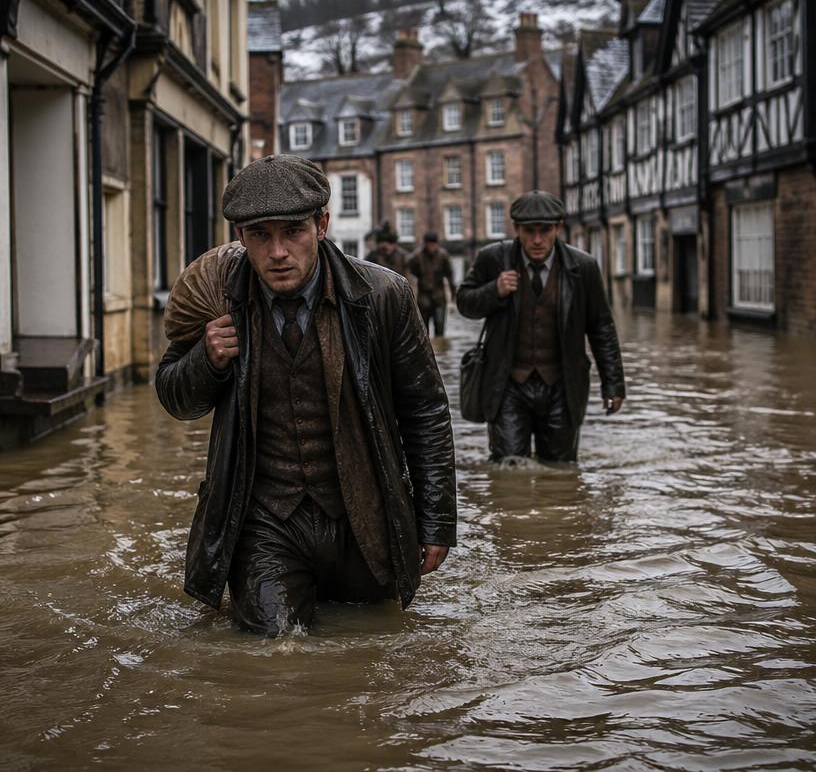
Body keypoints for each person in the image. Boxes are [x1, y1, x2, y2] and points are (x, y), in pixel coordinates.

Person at [155, 155, 456, 636]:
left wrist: (436, 520)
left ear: (322, 225)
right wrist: (206, 360)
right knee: (273, 649)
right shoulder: (219, 299)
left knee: (373, 646)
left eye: (293, 231)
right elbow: (176, 400)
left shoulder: (383, 295)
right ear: (240, 236)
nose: (278, 252)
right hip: (265, 519)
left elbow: (425, 412)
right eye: (261, 235)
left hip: (364, 512)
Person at [456, 190, 625, 462]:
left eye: (545, 230)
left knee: (561, 469)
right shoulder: (493, 259)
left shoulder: (583, 267)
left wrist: (613, 384)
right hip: (508, 383)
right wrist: (494, 291)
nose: (537, 240)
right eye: (529, 231)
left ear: (558, 228)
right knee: (509, 466)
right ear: (516, 229)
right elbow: (464, 303)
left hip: (562, 385)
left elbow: (601, 328)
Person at [407, 231, 456, 338]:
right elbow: (410, 271)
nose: (432, 247)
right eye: (429, 244)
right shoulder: (417, 256)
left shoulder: (443, 256)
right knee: (423, 330)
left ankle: (440, 346)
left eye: (434, 244)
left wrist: (453, 296)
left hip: (439, 297)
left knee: (440, 327)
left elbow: (450, 276)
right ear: (425, 243)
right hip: (423, 297)